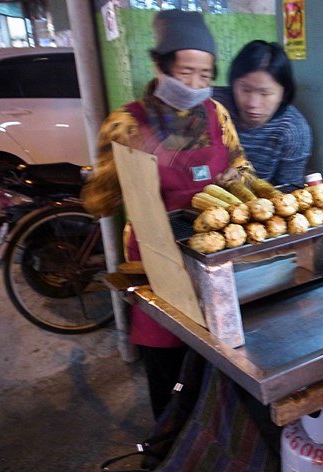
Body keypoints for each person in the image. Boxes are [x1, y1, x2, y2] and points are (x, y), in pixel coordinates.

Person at [82, 9, 254, 420]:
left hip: (212, 254)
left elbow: (243, 167)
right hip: (155, 257)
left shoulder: (217, 114)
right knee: (166, 353)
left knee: (218, 352)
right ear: (160, 65)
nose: (195, 84)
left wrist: (239, 178)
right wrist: (122, 166)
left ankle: (214, 434)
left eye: (205, 74)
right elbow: (98, 204)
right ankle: (168, 438)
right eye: (186, 72)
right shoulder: (125, 124)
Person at [213, 41, 312, 187]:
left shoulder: (293, 130)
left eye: (265, 93)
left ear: (283, 93)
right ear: (232, 84)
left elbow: (289, 191)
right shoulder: (213, 106)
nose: (253, 103)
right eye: (245, 90)